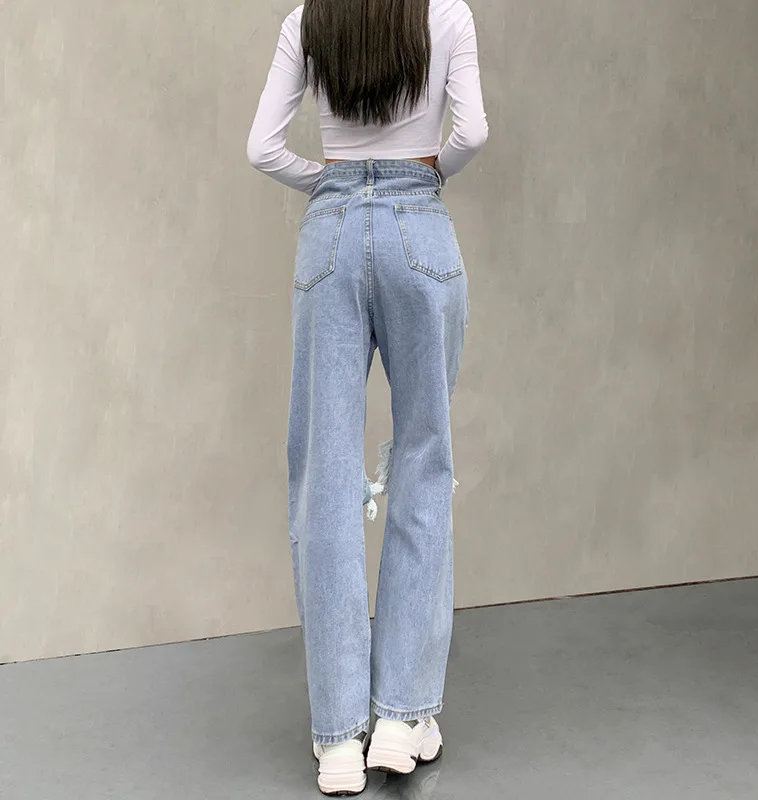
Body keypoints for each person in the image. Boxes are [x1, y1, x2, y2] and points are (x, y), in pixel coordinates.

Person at [246, 0, 487, 794]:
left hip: (332, 234)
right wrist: (425, 172)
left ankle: (338, 739)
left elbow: (262, 146)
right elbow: (472, 133)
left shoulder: (307, 20)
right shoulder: (448, 14)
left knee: (325, 475)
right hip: (421, 230)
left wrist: (329, 180)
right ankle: (401, 719)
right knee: (425, 460)